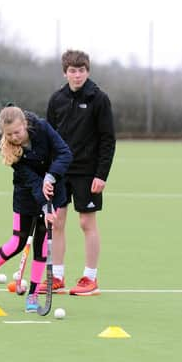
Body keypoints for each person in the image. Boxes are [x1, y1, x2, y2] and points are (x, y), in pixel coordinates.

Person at [0, 104, 72, 312]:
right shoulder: (8, 148)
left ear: (25, 124)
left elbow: (65, 153)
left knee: (42, 244)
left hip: (54, 189)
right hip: (26, 193)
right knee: (17, 242)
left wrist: (51, 176)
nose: (15, 137)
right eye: (10, 134)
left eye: (18, 132)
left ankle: (32, 295)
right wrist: (43, 205)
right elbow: (32, 181)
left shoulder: (42, 128)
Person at [44, 49, 116, 296]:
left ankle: (90, 278)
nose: (77, 75)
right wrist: (49, 174)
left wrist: (101, 174)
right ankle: (57, 277)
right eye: (73, 71)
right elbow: (48, 139)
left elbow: (108, 139)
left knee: (86, 222)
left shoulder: (99, 99)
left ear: (88, 71)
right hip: (61, 172)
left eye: (82, 70)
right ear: (65, 73)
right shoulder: (56, 100)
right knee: (57, 222)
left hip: (88, 173)